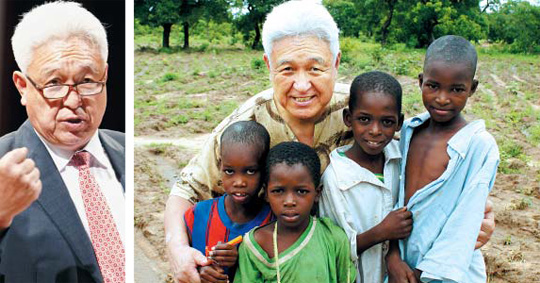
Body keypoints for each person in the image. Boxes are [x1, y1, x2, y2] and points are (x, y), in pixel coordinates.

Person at [163, 1, 495, 281]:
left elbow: (421, 173)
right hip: (273, 260)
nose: (302, 85)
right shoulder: (247, 123)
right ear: (268, 66)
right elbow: (185, 190)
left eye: (316, 68)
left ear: (335, 63)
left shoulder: (359, 114)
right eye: (287, 69)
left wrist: (482, 217)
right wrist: (178, 251)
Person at [0, 2, 125, 282]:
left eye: (87, 81)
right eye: (54, 84)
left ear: (105, 76)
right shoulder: (3, 167)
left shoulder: (130, 152)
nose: (73, 101)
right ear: (23, 86)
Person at [387, 35, 499, 282]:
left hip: (447, 271)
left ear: (472, 88)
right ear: (420, 82)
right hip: (401, 263)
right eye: (433, 86)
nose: (442, 98)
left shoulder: (479, 146)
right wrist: (392, 256)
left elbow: (466, 220)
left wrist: (422, 272)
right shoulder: (409, 131)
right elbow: (394, 198)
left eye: (456, 89)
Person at [319, 71, 414, 283]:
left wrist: (394, 252)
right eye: (364, 119)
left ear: (399, 123)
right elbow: (333, 247)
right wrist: (382, 232)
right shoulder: (336, 178)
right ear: (348, 118)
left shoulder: (402, 161)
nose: (375, 131)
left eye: (387, 122)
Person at [235, 141, 356, 282]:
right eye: (278, 191)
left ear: (317, 193)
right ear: (266, 193)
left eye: (301, 191)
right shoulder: (254, 244)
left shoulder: (333, 238)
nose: (290, 201)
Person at [184, 121, 274, 282]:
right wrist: (201, 271)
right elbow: (184, 265)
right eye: (229, 171)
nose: (239, 182)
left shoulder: (274, 222)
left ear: (265, 169)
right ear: (220, 166)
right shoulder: (198, 215)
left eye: (250, 171)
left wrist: (239, 262)